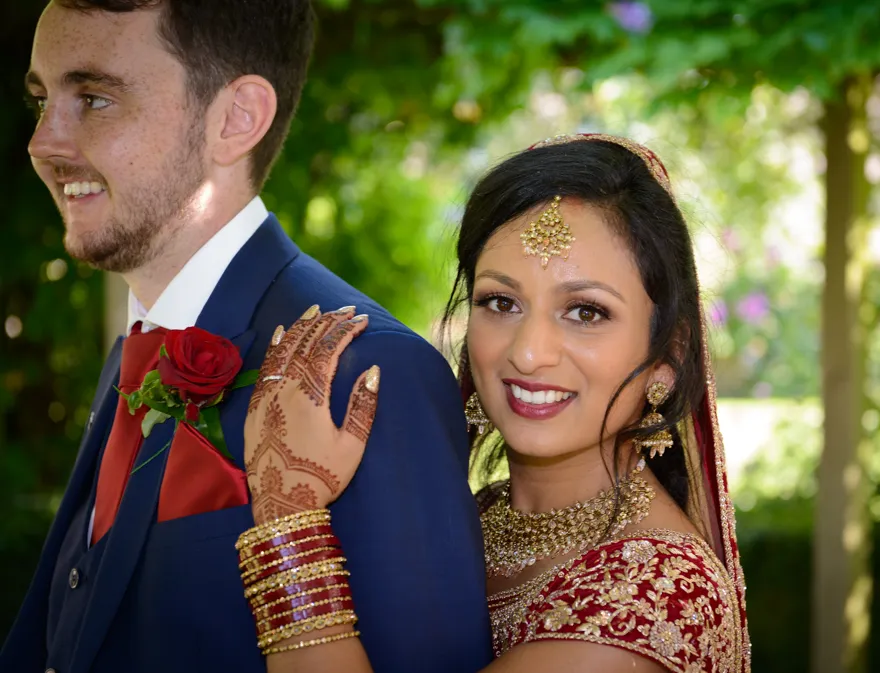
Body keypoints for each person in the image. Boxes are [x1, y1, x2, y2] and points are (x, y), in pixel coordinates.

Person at [2, 2, 491, 672]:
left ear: (236, 120)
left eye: (93, 98)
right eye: (41, 98)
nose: (44, 142)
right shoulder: (138, 349)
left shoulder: (366, 369)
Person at [241, 134, 751, 672]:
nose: (528, 354)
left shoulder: (662, 590)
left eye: (585, 312)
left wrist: (288, 519)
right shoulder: (473, 516)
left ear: (667, 358)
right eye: (500, 302)